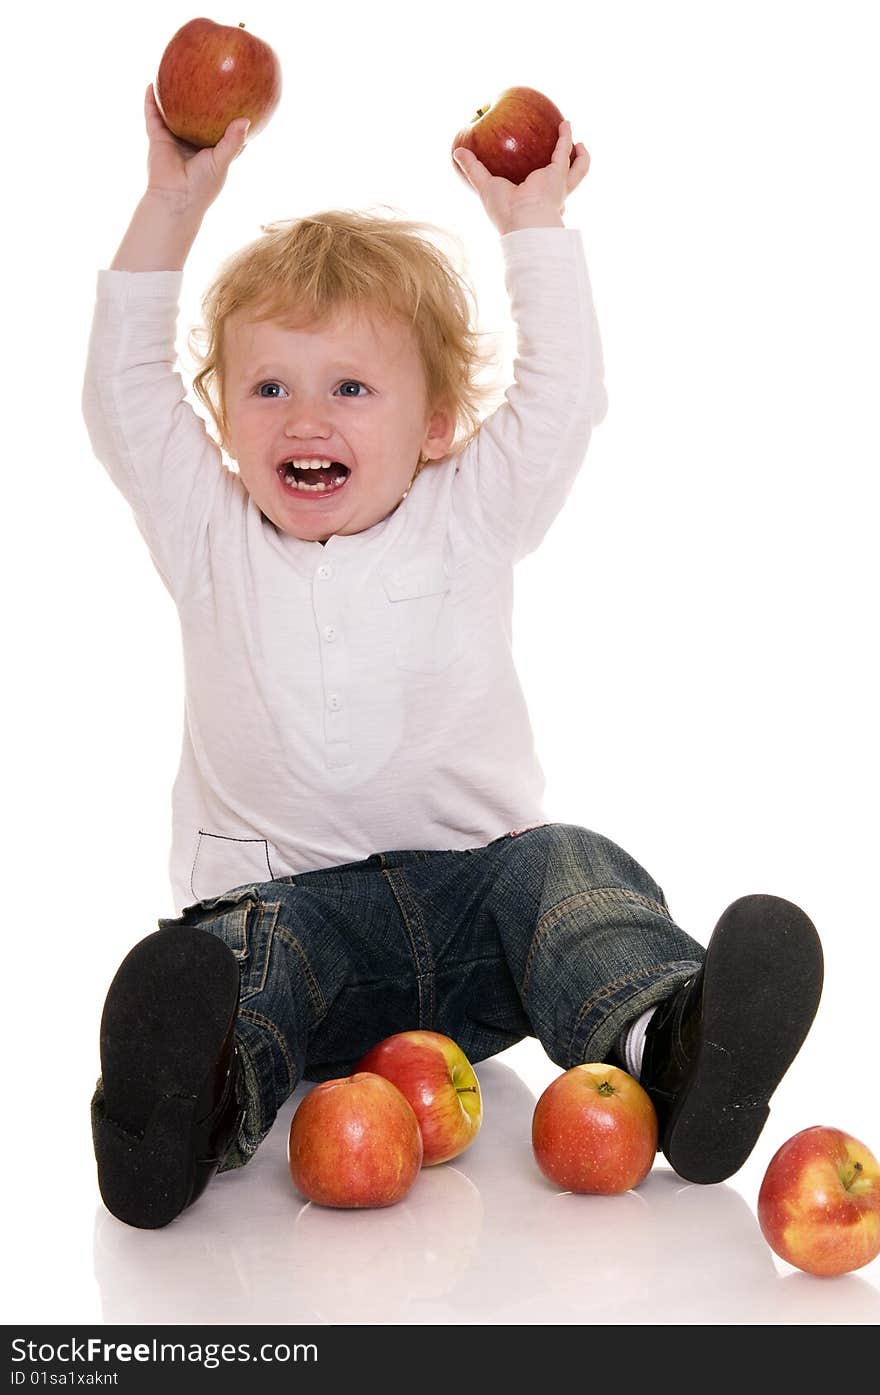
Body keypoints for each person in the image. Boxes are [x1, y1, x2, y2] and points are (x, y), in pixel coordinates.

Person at [82, 86, 823, 1230]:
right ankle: (183, 1113)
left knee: (571, 877)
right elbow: (124, 392)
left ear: (436, 425)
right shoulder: (206, 529)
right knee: (241, 967)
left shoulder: (467, 507)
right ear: (223, 417)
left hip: (483, 909)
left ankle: (673, 1046)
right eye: (267, 387)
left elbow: (560, 400)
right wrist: (170, 207)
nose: (302, 417)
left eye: (351, 388)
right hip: (295, 910)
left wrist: (534, 231)